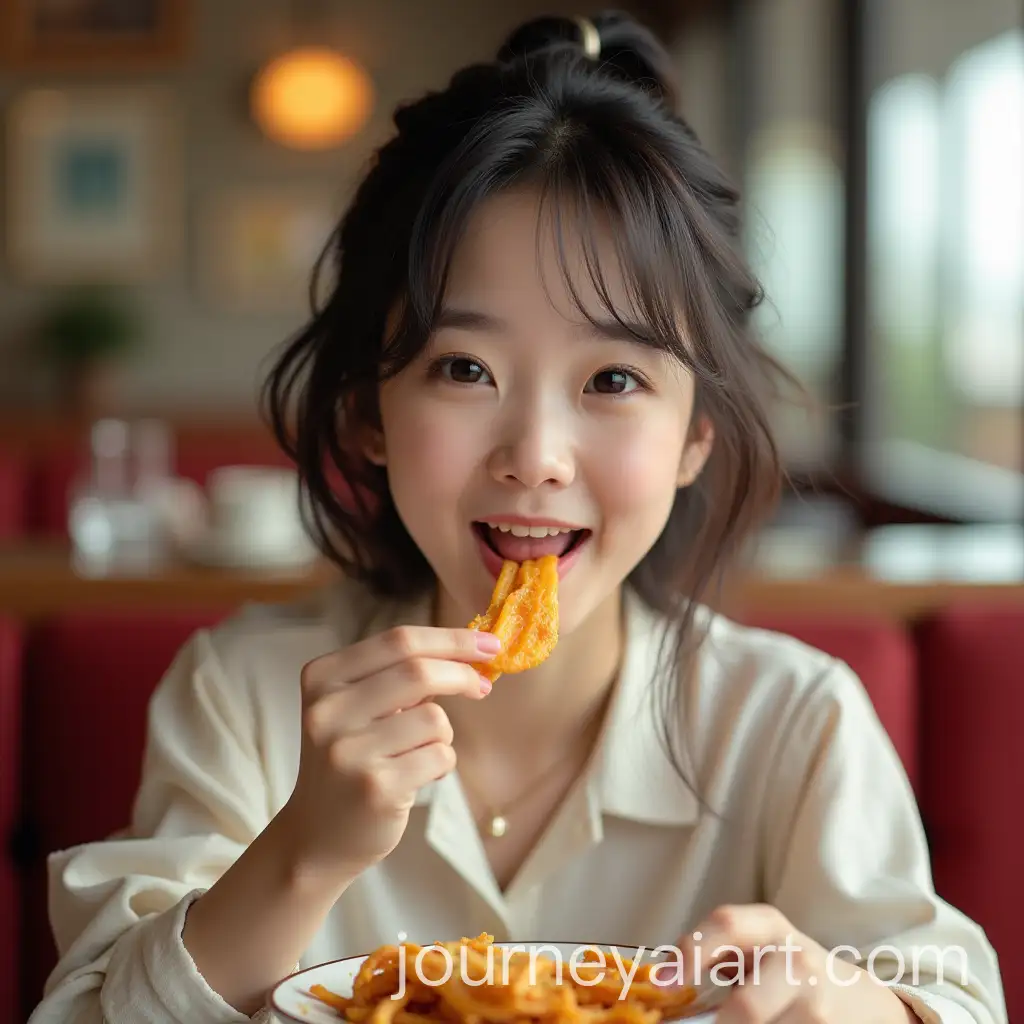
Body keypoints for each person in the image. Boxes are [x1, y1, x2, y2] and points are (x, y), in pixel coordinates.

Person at [29, 11, 1006, 1024]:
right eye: (464, 369)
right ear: (368, 413)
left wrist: (857, 1006)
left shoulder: (791, 721)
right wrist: (302, 853)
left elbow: (950, 995)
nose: (534, 455)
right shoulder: (244, 697)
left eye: (613, 377)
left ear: (695, 437)